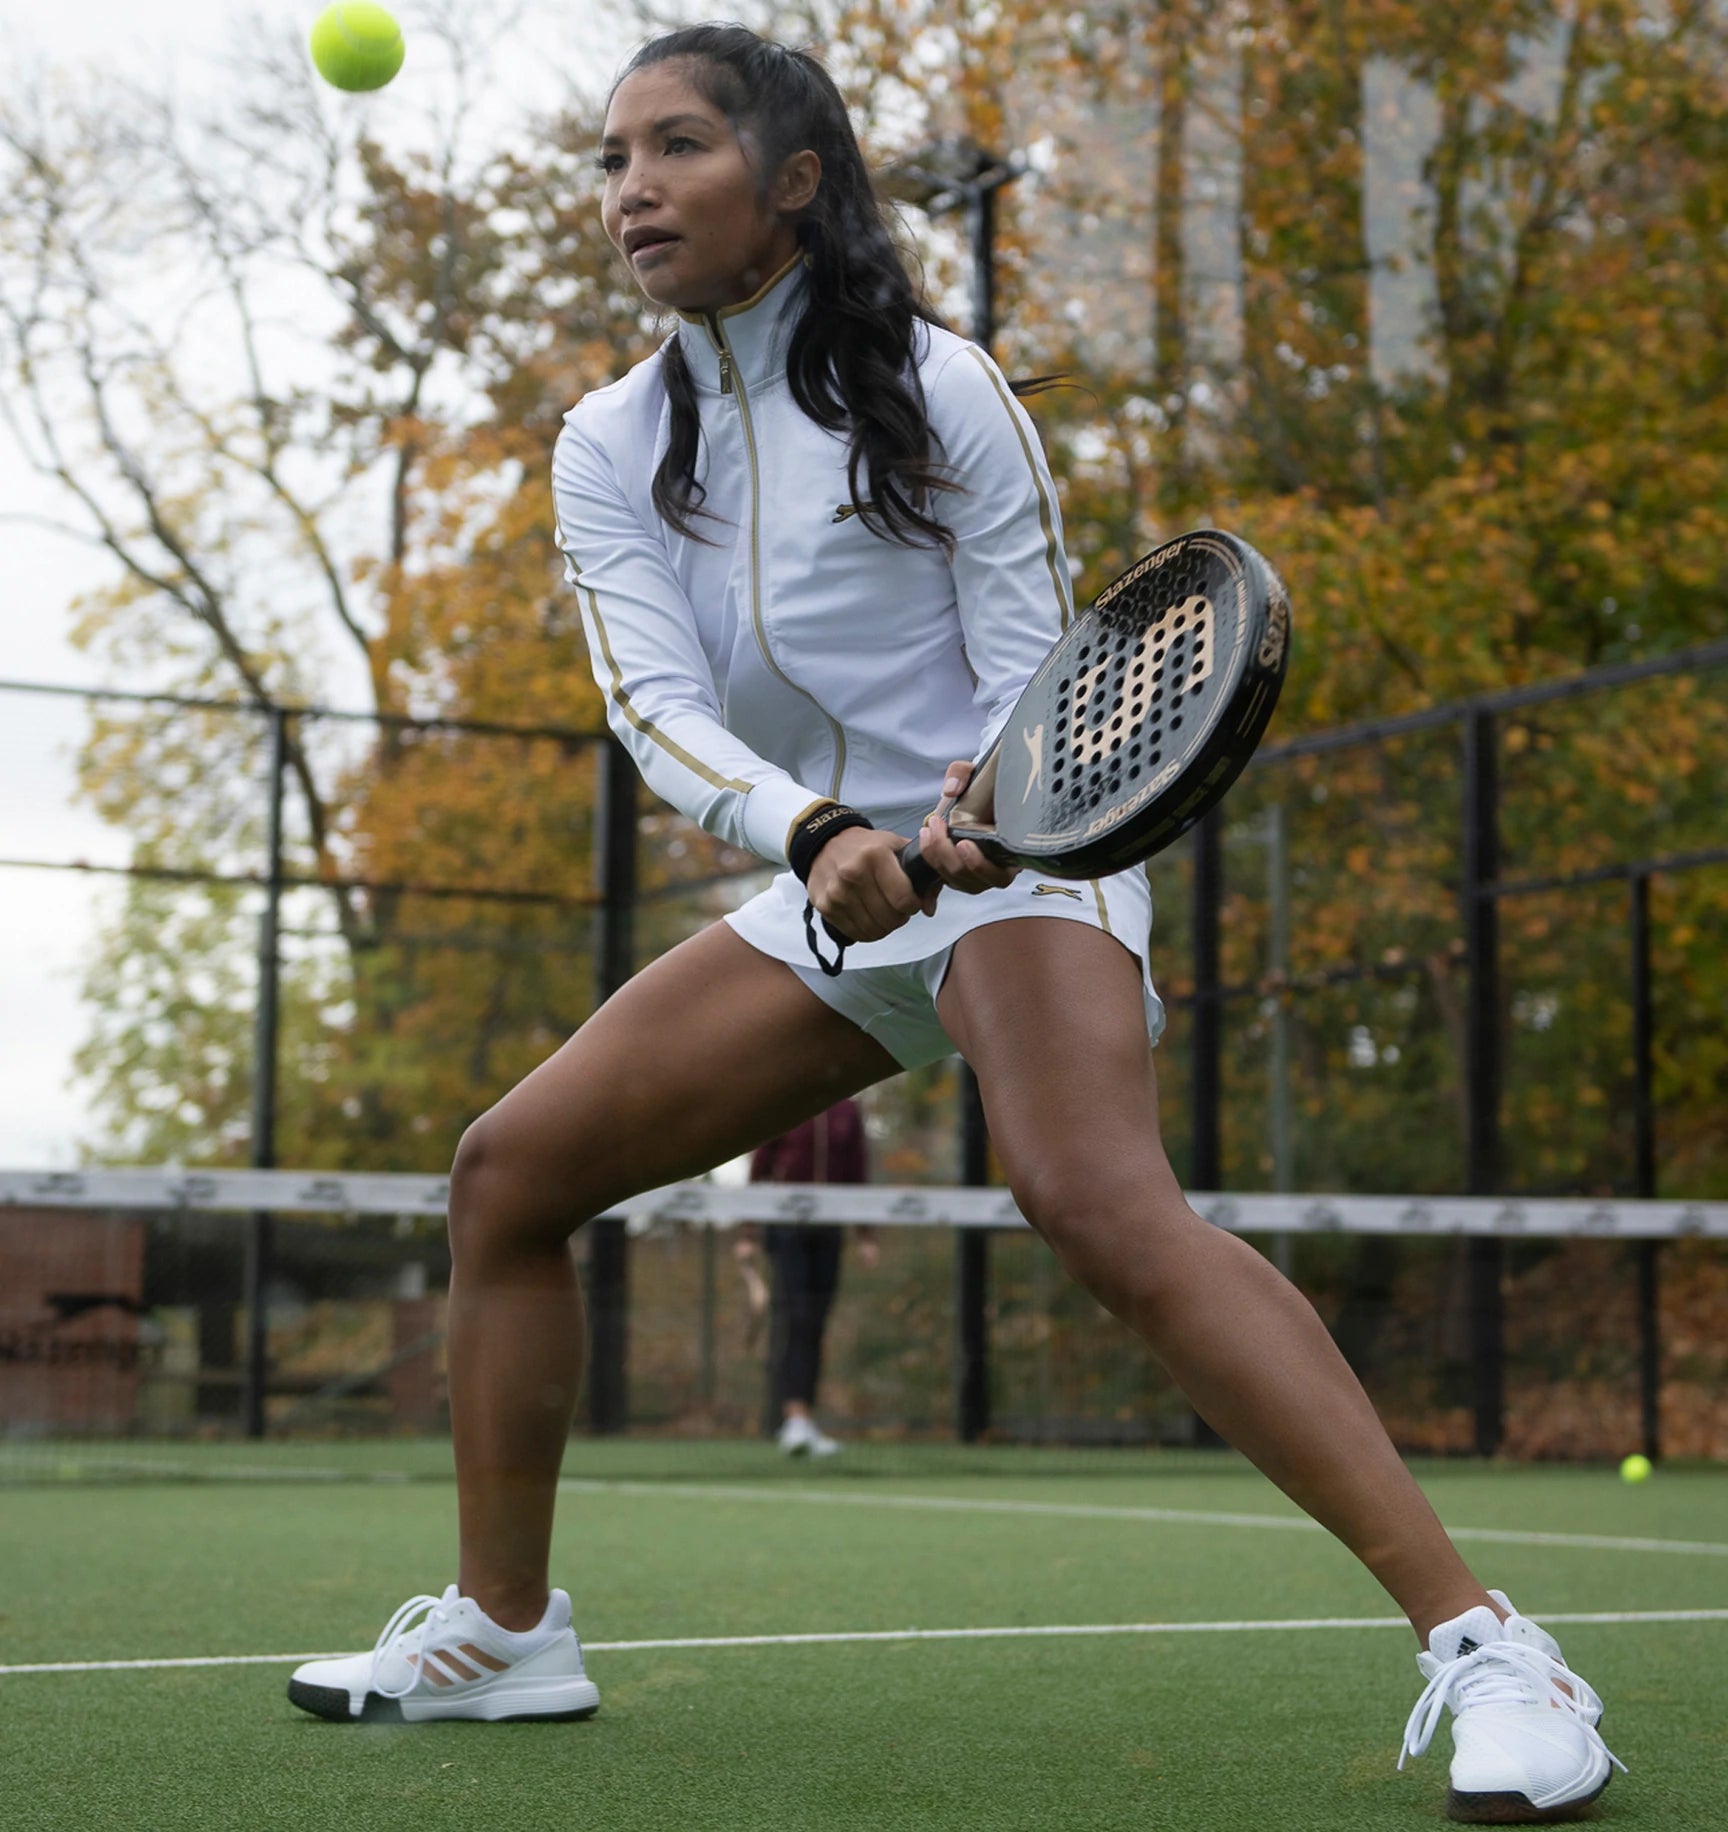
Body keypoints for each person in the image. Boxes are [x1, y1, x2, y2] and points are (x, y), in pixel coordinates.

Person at [288, 22, 1622, 1823]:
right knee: (506, 1175)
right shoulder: (608, 441)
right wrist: (813, 829)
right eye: (610, 160)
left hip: (1026, 852)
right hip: (825, 876)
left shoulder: (939, 385)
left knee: (1091, 1200)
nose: (628, 192)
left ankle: (1489, 1646)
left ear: (794, 181)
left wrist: (983, 821)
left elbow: (1041, 669)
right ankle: (508, 1629)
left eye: (673, 149)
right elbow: (650, 699)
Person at [743, 1096, 877, 1454]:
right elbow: (761, 1167)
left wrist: (865, 1235)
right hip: (786, 1228)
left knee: (815, 1322)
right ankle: (792, 1417)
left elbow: (856, 1169)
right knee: (797, 1318)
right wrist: (748, 1232)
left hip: (828, 1231)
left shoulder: (848, 1109)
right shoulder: (788, 1098)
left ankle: (803, 1419)